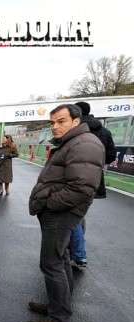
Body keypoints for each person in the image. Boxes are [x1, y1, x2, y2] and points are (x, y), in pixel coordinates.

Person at [27, 104, 104, 322]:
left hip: (61, 213)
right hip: (59, 213)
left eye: (61, 121)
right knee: (60, 259)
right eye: (52, 122)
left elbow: (81, 188)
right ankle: (58, 306)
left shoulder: (85, 144)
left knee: (50, 263)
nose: (55, 126)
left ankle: (59, 318)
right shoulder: (73, 142)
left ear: (76, 121)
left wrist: (50, 204)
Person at [68, 101, 118, 269]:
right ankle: (76, 249)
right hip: (96, 178)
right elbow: (111, 155)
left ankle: (78, 254)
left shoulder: (75, 131)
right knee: (80, 215)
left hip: (75, 178)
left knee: (73, 216)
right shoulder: (104, 131)